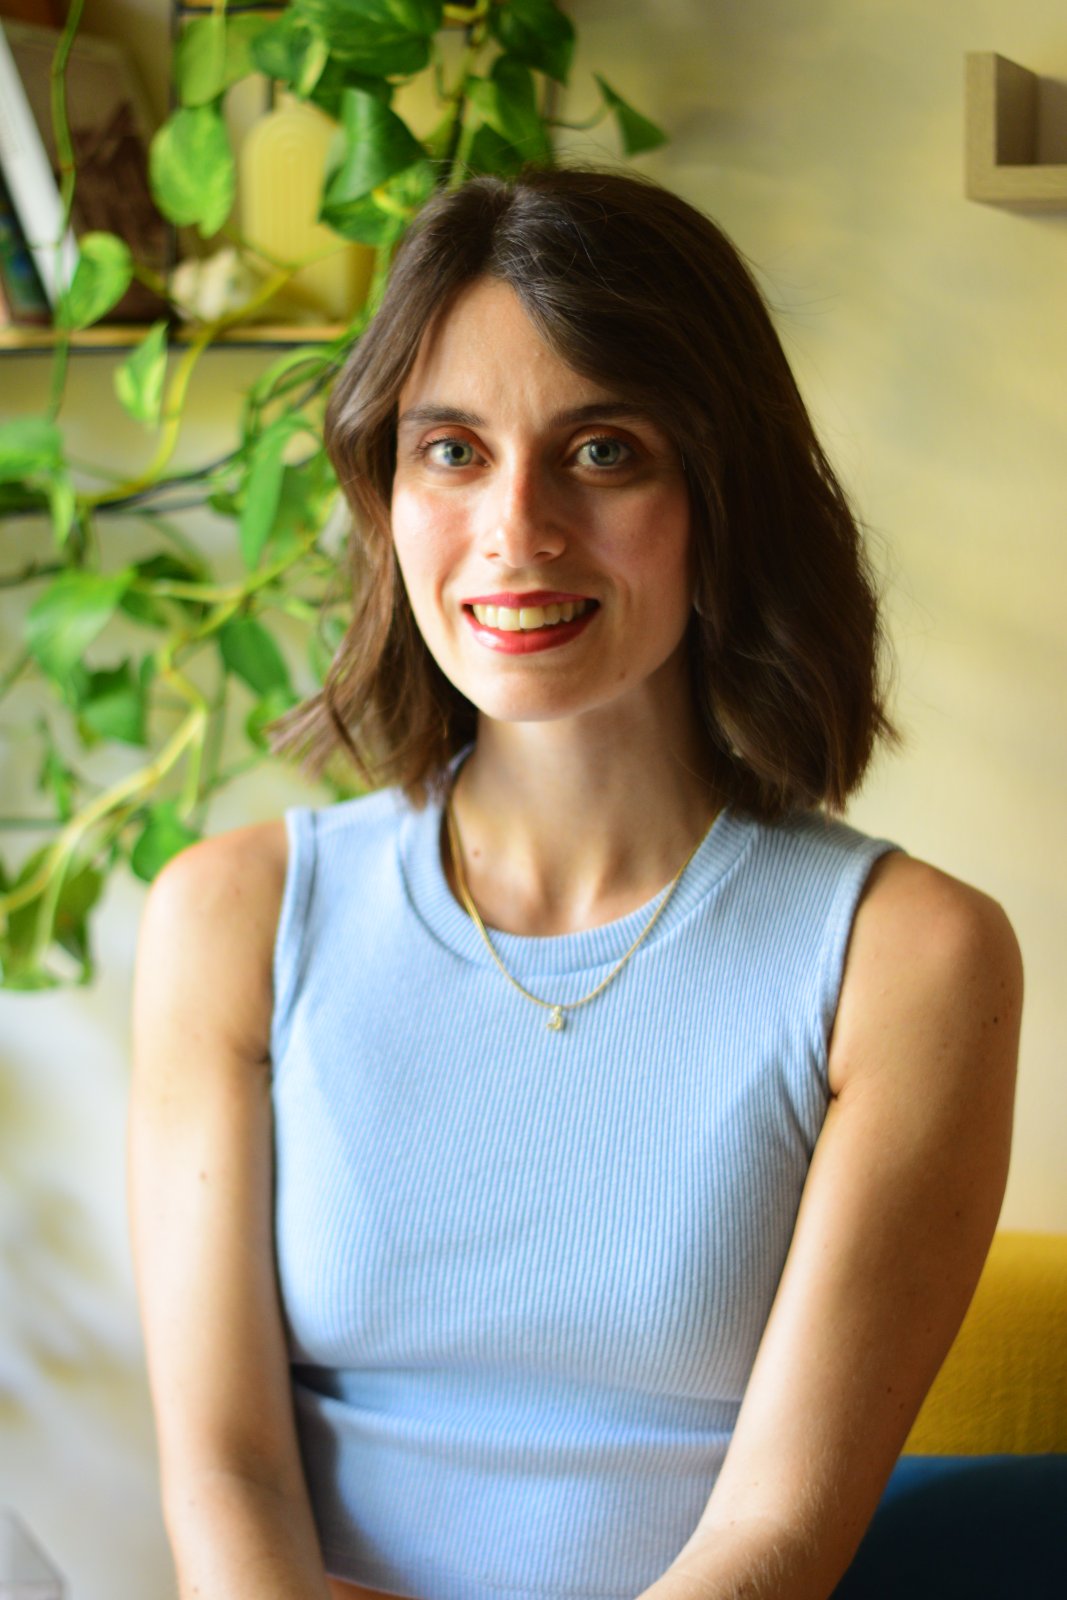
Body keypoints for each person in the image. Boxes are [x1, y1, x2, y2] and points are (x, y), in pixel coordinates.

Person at [128, 166, 1022, 1600]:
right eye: (452, 451)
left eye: (603, 451)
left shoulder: (911, 957)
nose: (517, 530)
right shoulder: (230, 919)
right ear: (385, 493)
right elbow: (225, 1483)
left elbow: (775, 1543)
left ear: (721, 492)